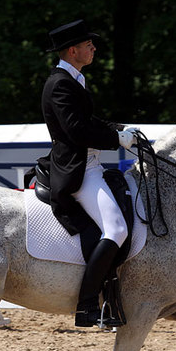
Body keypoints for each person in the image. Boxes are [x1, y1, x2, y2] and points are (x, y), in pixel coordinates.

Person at [41, 19, 138, 327]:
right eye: (88, 45)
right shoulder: (60, 84)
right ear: (73, 50)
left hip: (91, 164)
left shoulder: (74, 79)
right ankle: (87, 305)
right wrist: (115, 140)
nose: (93, 48)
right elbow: (77, 130)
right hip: (80, 171)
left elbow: (90, 119)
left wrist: (120, 129)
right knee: (118, 230)